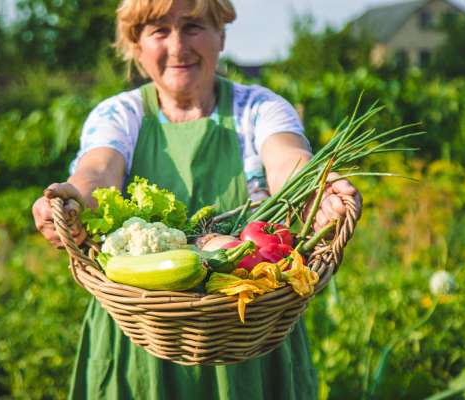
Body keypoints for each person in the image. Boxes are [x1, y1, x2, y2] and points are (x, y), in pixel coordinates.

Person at [32, 0, 362, 398]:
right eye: (159, 31)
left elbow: (288, 160)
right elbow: (98, 169)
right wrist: (74, 199)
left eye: (192, 27)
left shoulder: (259, 110)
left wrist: (316, 188)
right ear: (136, 46)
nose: (178, 47)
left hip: (249, 332)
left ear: (221, 34)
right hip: (138, 341)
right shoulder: (120, 115)